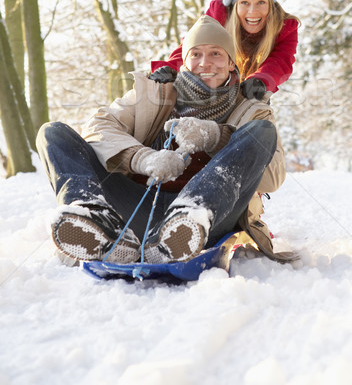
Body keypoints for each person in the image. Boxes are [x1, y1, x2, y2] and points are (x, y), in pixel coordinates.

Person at [37, 16, 295, 267]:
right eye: (196, 54)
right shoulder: (151, 93)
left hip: (210, 217)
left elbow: (272, 178)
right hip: (139, 206)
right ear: (184, 62)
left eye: (216, 53)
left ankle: (186, 219)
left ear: (231, 63)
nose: (205, 62)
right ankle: (95, 219)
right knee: (53, 133)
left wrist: (216, 137)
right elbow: (99, 126)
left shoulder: (253, 109)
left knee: (261, 131)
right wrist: (143, 158)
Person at [150, 0, 300, 101]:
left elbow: (281, 61)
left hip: (252, 88)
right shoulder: (219, 15)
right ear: (234, 6)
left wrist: (261, 80)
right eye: (244, 3)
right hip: (214, 82)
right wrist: (170, 68)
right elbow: (192, 46)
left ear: (270, 5)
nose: (253, 11)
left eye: (261, 2)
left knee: (256, 119)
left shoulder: (284, 27)